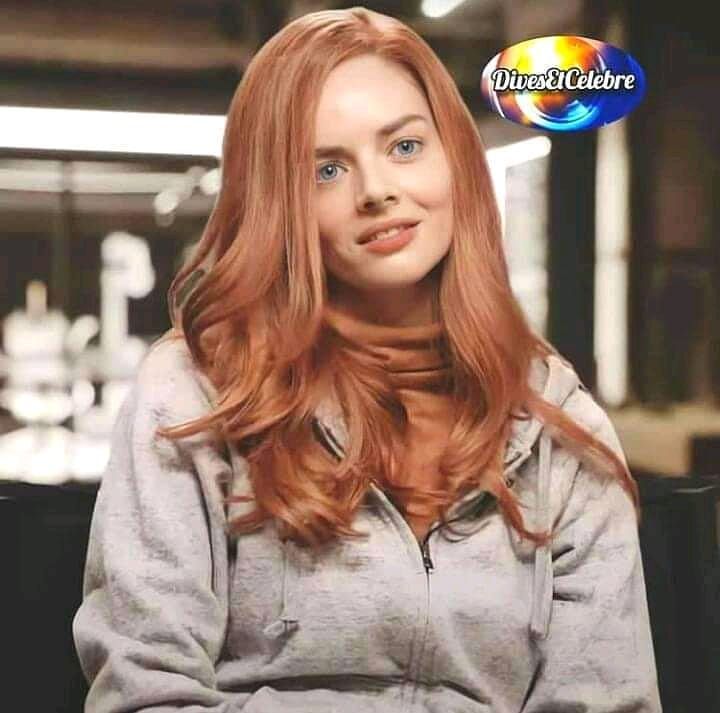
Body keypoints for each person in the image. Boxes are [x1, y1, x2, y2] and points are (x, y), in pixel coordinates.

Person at [73, 6, 662, 712]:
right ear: (279, 201)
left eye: (405, 146)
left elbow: (608, 699)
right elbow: (144, 692)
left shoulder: (559, 426)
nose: (376, 190)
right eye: (327, 169)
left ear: (456, 160)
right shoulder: (195, 394)